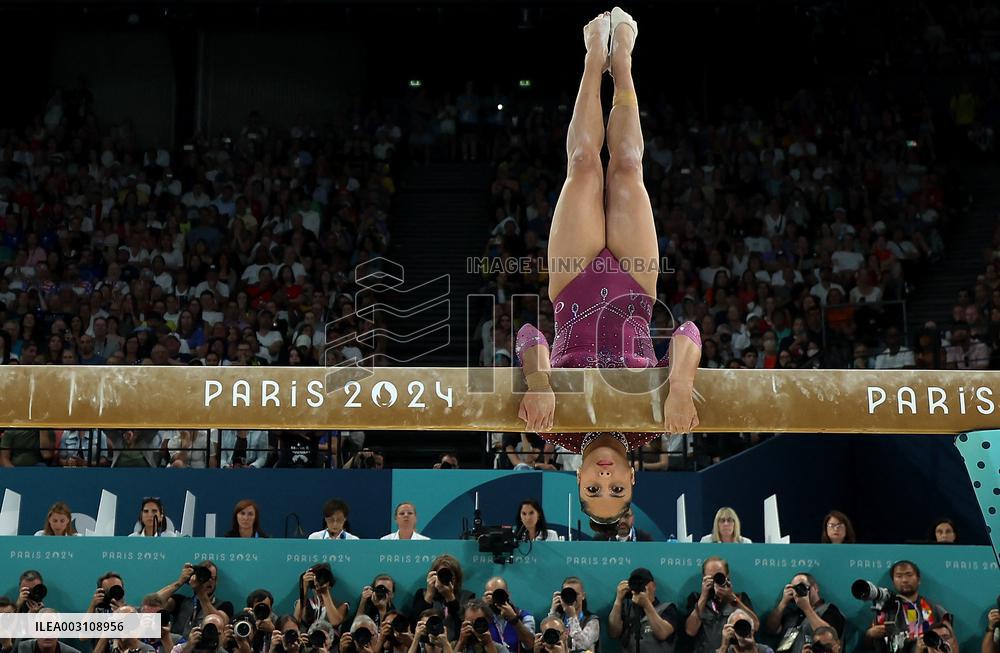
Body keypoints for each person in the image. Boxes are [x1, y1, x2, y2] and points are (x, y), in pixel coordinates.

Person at [515, 7, 701, 525]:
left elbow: (530, 332)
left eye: (594, 488)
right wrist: (681, 387)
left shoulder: (552, 427)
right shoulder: (653, 423)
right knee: (627, 166)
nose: (604, 476)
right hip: (635, 283)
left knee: (581, 165)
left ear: (576, 478)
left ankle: (593, 52)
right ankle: (622, 63)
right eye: (615, 488)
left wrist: (539, 382)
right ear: (633, 478)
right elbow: (687, 330)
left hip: (572, 284)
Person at [863, 560, 949, 653]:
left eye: (909, 575)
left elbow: (949, 645)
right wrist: (869, 634)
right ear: (893, 581)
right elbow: (869, 646)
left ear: (918, 580)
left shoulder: (935, 610)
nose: (904, 580)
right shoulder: (884, 611)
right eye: (899, 576)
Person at [685, 557, 758, 653]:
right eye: (711, 577)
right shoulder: (696, 598)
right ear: (704, 578)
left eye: (719, 576)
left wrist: (732, 598)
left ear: (727, 576)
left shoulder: (740, 598)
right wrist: (703, 596)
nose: (716, 580)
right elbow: (690, 631)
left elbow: (755, 626)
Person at [763, 573, 844, 653]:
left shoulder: (830, 610)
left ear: (815, 588)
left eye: (802, 586)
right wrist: (783, 603)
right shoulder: (792, 614)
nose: (799, 591)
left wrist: (806, 608)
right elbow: (771, 629)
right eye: (795, 588)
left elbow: (830, 636)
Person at [608, 567, 680, 653]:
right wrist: (618, 600)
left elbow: (663, 633)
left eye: (643, 583)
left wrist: (646, 605)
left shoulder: (667, 608)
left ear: (653, 585)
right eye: (636, 584)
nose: (640, 587)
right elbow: (613, 633)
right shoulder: (626, 609)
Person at [411, 555, 474, 642]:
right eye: (441, 574)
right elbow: (415, 624)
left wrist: (450, 597)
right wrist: (429, 594)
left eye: (448, 574)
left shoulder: (466, 597)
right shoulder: (422, 594)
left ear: (456, 577)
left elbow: (464, 624)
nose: (444, 578)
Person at [546, 578, 599, 653]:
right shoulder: (557, 619)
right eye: (568, 594)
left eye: (575, 594)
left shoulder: (592, 621)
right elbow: (547, 642)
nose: (572, 597)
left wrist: (572, 617)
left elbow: (581, 646)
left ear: (583, 596)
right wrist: (553, 612)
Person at [483, 577, 535, 653]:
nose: (495, 598)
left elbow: (530, 644)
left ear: (508, 594)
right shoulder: (482, 618)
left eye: (499, 593)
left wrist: (514, 620)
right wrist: (483, 608)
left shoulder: (525, 616)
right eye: (492, 594)